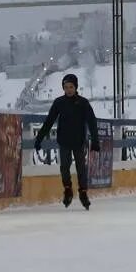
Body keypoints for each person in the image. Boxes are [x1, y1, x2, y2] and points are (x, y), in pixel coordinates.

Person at [33, 73, 100, 209]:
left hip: (79, 141)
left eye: (71, 87)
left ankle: (83, 192)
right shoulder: (59, 103)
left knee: (81, 168)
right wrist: (39, 139)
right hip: (64, 141)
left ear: (76, 87)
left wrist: (95, 141)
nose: (68, 90)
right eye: (66, 87)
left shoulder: (83, 103)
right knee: (64, 167)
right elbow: (49, 122)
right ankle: (68, 189)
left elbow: (92, 122)